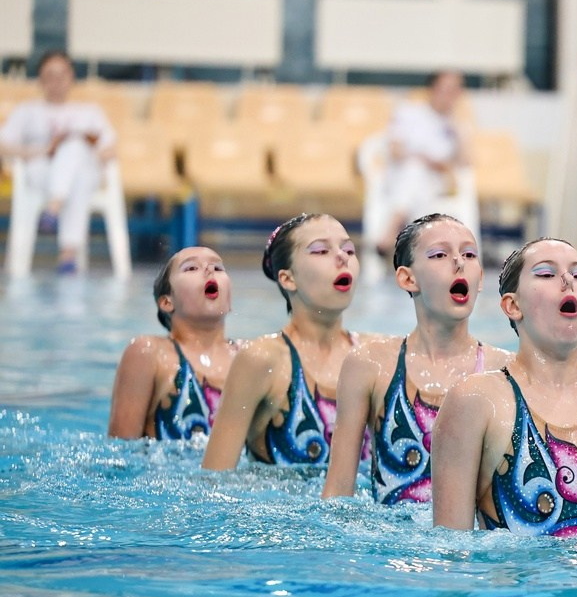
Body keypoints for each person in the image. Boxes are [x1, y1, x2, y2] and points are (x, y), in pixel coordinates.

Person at [431, 238, 577, 536]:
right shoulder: (476, 401)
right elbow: (450, 549)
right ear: (513, 305)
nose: (568, 280)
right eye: (546, 274)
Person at [323, 214, 513, 504]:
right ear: (407, 278)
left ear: (480, 279)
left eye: (469, 254)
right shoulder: (370, 365)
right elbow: (337, 495)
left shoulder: (505, 371)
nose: (459, 262)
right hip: (388, 542)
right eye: (440, 254)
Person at [202, 214, 362, 469]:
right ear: (287, 279)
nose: (342, 257)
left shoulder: (373, 357)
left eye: (349, 250)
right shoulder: (263, 360)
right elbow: (214, 477)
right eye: (321, 251)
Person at [0, 50, 116, 274]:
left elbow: (109, 149)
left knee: (75, 150)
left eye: (61, 74)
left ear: (71, 76)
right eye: (50, 75)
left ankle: (54, 207)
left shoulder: (89, 112)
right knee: (77, 177)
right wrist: (45, 149)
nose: (56, 81)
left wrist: (83, 148)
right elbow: (3, 144)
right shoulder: (27, 111)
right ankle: (68, 255)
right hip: (41, 170)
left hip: (85, 170)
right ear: (41, 79)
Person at [107, 246, 238, 440]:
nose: (210, 270)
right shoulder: (149, 353)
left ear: (229, 299)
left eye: (218, 268)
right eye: (191, 268)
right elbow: (119, 452)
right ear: (167, 302)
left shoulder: (250, 356)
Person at [376, 71, 470, 256]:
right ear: (433, 89)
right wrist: (421, 158)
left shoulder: (456, 126)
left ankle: (393, 232)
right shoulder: (409, 113)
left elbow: (464, 165)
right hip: (400, 177)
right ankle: (410, 243)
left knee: (418, 175)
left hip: (435, 183)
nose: (450, 95)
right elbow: (394, 151)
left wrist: (460, 134)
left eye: (456, 90)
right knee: (415, 170)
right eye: (446, 89)